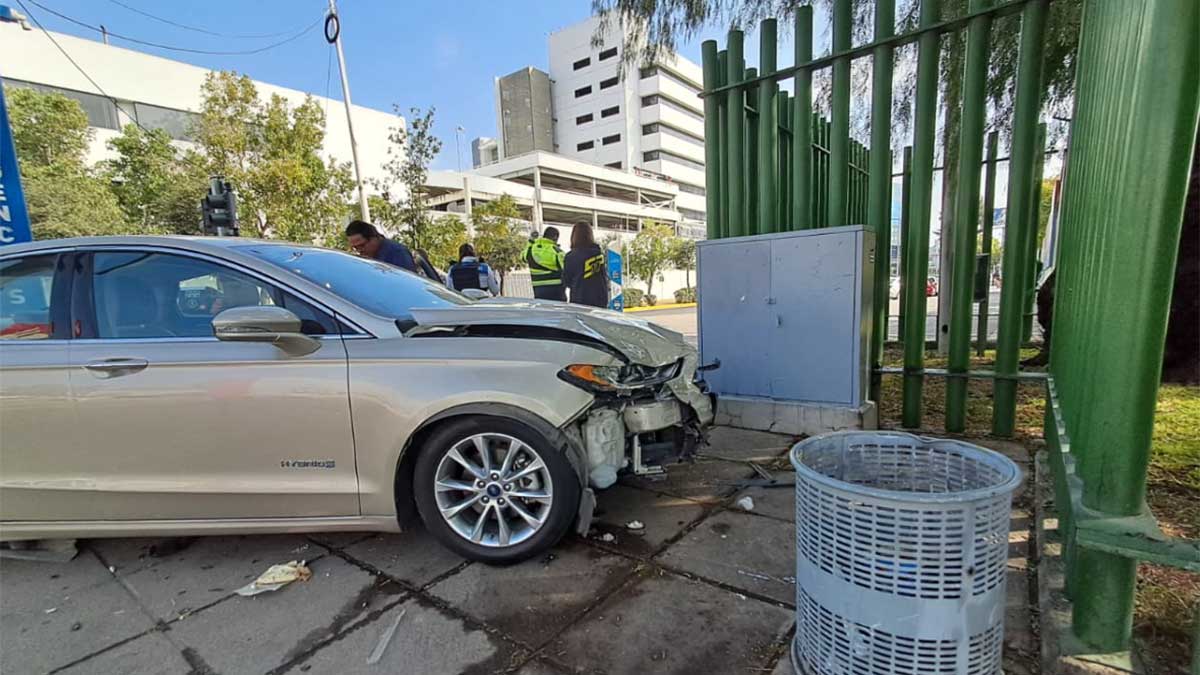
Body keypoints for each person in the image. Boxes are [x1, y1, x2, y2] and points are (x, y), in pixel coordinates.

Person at [562, 223, 609, 308]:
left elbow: (567, 281)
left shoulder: (570, 256)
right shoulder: (598, 254)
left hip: (580, 298)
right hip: (600, 298)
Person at [345, 220, 417, 273]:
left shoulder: (397, 253)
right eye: (355, 248)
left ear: (374, 238)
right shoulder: (369, 256)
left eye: (362, 245)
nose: (360, 251)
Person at [523, 226, 566, 301]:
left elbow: (523, 257)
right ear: (555, 237)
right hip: (556, 291)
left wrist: (530, 241)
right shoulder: (557, 252)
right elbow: (567, 270)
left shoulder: (531, 249)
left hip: (538, 290)